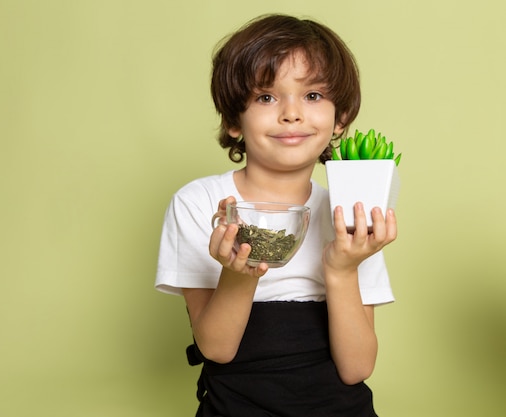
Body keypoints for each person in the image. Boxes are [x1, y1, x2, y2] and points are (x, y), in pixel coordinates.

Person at [155, 13, 397, 417]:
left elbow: (357, 368)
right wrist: (237, 273)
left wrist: (341, 269)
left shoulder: (348, 211)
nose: (292, 113)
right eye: (266, 97)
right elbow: (216, 349)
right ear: (234, 120)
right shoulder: (199, 202)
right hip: (235, 405)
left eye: (313, 95)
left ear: (340, 120)